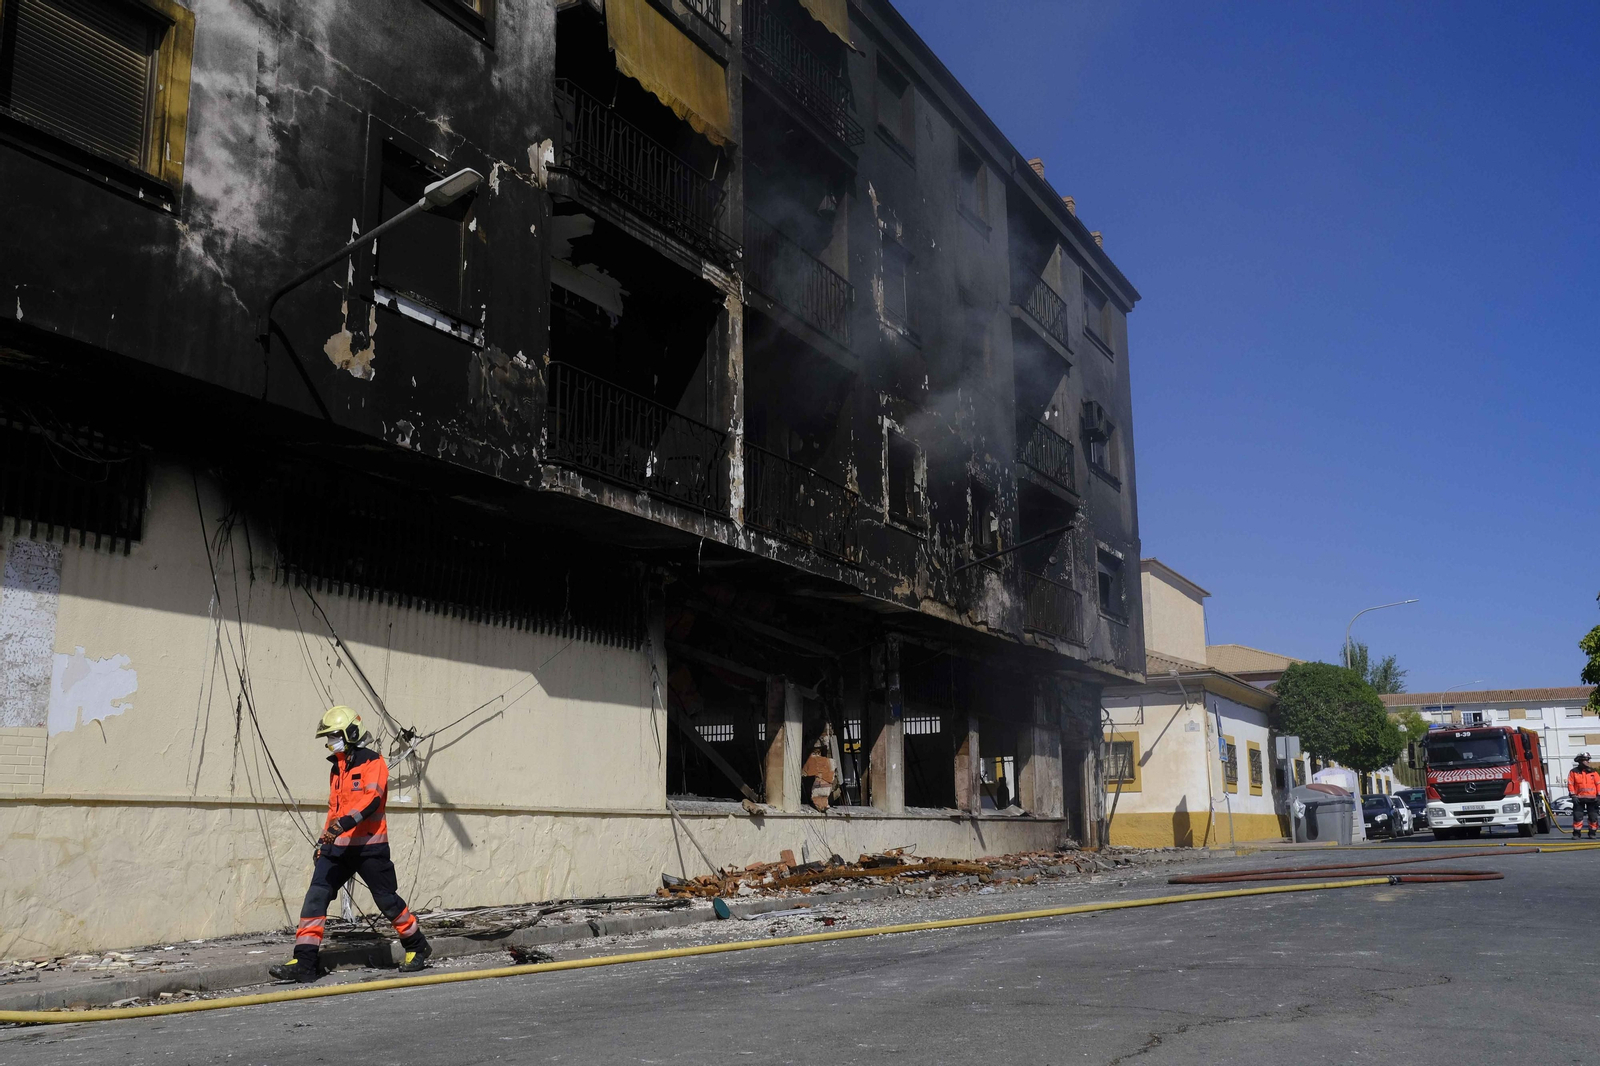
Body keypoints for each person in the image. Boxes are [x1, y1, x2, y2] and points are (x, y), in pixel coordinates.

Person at [269, 706, 432, 982]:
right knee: (316, 897)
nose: (330, 741)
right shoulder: (337, 769)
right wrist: (323, 841)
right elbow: (334, 809)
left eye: (334, 735)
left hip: (370, 848)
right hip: (338, 850)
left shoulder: (374, 763)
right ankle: (305, 962)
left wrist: (342, 824)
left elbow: (371, 801)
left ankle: (417, 945)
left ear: (350, 733)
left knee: (387, 901)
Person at [1568, 753, 1600, 839]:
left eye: (1588, 760)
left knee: (1593, 817)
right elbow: (1570, 784)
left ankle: (1592, 833)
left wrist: (1599, 796)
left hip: (1593, 799)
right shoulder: (1573, 772)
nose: (1588, 762)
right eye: (1586, 760)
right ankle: (1577, 834)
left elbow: (1598, 784)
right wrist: (1573, 795)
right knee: (1577, 816)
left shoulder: (1593, 772)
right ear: (1580, 761)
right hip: (1579, 798)